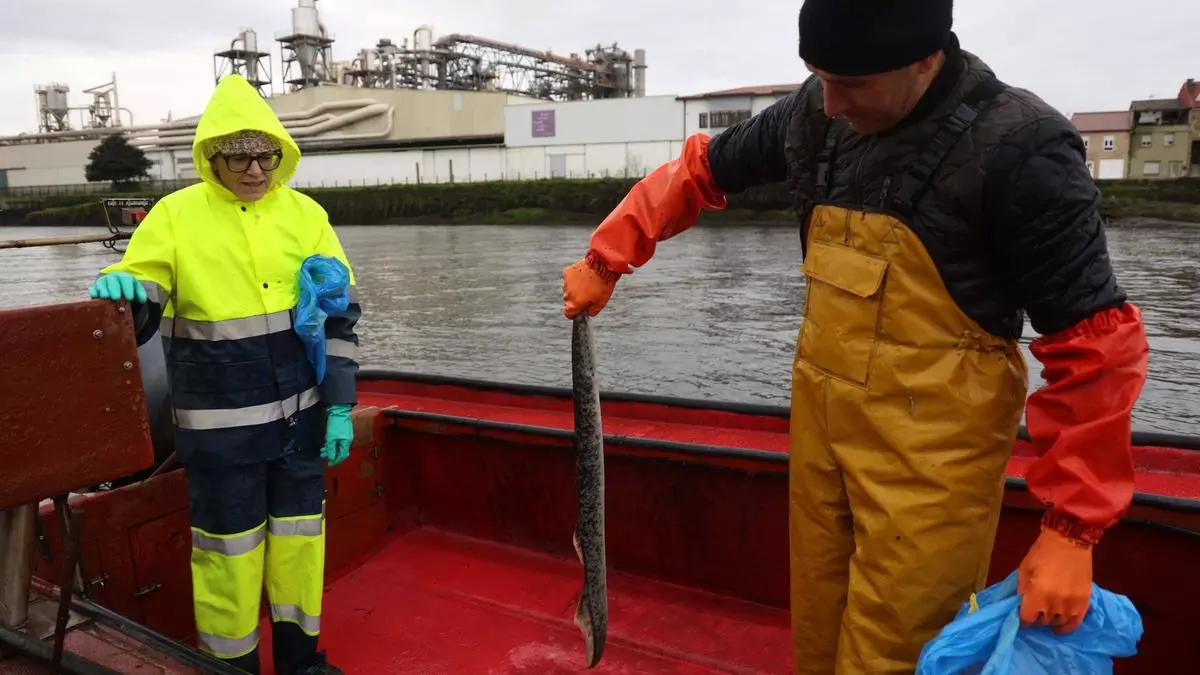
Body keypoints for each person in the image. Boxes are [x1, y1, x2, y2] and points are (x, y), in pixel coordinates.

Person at [561, 1, 1149, 672]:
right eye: (820, 76)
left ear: (925, 60)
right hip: (821, 446)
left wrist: (1070, 531)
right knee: (815, 637)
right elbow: (701, 170)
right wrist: (608, 256)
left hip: (931, 477)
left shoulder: (1023, 149)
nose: (831, 103)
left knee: (893, 654)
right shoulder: (814, 113)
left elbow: (1095, 349)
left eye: (852, 84)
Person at [87, 74, 360, 675]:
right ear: (211, 157)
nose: (255, 170)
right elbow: (142, 299)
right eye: (239, 157)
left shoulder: (307, 215)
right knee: (227, 560)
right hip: (220, 435)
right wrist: (124, 293)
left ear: (281, 154)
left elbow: (339, 316)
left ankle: (301, 663)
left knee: (300, 550)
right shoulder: (174, 217)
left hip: (302, 427)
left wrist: (340, 405)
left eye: (266, 156)